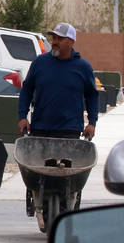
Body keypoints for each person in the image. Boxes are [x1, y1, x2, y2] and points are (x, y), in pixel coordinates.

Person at [18, 22, 98, 214]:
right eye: (53, 38)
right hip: (40, 127)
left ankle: (71, 206)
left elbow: (92, 96)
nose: (54, 42)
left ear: (71, 42)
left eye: (59, 39)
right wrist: (22, 116)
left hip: (69, 130)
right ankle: (36, 201)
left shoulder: (82, 67)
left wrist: (92, 122)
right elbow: (27, 89)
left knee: (69, 177)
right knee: (39, 173)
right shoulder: (40, 63)